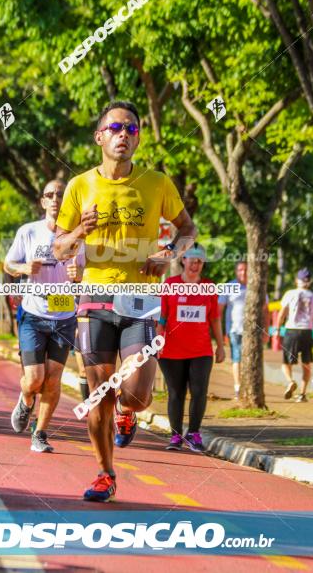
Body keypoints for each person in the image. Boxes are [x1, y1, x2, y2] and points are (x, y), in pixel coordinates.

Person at [53, 100, 197, 502]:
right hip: (95, 296)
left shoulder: (157, 183)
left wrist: (169, 253)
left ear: (138, 138)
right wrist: (80, 230)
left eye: (131, 129)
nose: (123, 135)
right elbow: (60, 249)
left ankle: (128, 411)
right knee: (98, 390)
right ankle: (105, 473)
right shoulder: (80, 186)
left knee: (135, 392)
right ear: (99, 136)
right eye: (115, 128)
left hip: (140, 299)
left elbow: (187, 229)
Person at [5, 179, 84, 453]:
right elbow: (8, 264)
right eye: (50, 195)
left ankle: (40, 433)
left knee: (52, 379)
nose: (55, 199)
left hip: (64, 317)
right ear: (43, 202)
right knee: (34, 379)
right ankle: (26, 400)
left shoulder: (78, 237)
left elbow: (88, 279)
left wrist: (79, 277)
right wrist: (24, 268)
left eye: (61, 195)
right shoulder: (28, 232)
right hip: (34, 315)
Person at [157, 245, 225, 453]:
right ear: (183, 261)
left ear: (203, 264)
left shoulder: (209, 287)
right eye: (191, 260)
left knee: (199, 391)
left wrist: (220, 346)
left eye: (200, 261)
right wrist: (158, 339)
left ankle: (194, 433)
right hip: (172, 350)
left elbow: (214, 319)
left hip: (201, 350)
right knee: (176, 393)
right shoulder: (170, 285)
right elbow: (162, 317)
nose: (195, 265)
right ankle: (176, 436)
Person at [219, 260, 268, 399]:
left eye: (246, 270)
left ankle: (253, 388)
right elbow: (219, 310)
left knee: (254, 359)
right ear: (236, 271)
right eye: (240, 270)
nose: (243, 272)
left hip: (255, 331)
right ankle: (237, 388)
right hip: (234, 330)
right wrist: (223, 332)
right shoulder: (229, 286)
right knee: (237, 359)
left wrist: (267, 330)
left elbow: (266, 311)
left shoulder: (257, 285)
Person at [274, 268, 313, 402]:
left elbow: (282, 313)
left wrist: (277, 330)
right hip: (307, 332)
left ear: (297, 281)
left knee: (286, 363)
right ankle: (302, 394)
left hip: (292, 330)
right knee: (306, 364)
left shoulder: (289, 294)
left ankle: (290, 381)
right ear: (309, 281)